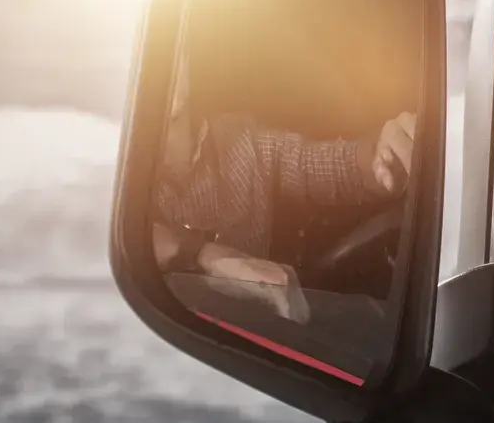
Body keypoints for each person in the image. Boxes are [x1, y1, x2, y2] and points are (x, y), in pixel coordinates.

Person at [151, 53, 416, 307]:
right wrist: (200, 254)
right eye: (150, 50)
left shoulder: (241, 140)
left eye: (171, 44)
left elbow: (329, 166)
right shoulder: (115, 175)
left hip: (263, 339)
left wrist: (386, 154)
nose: (162, 62)